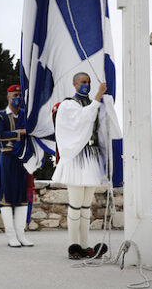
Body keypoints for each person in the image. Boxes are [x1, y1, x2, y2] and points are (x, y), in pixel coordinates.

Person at [52, 72, 117, 259]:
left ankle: (85, 245)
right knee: (75, 204)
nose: (86, 85)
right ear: (74, 84)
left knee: (86, 206)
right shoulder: (68, 105)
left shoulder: (94, 104)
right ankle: (73, 246)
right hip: (76, 159)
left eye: (88, 82)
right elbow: (82, 119)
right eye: (82, 82)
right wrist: (98, 96)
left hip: (91, 158)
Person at [0, 84, 33, 248]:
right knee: (6, 197)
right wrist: (20, 133)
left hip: (23, 159)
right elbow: (0, 135)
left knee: (23, 197)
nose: (17, 98)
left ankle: (21, 235)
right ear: (8, 96)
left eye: (19, 95)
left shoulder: (26, 115)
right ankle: (11, 236)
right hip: (8, 158)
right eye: (14, 95)